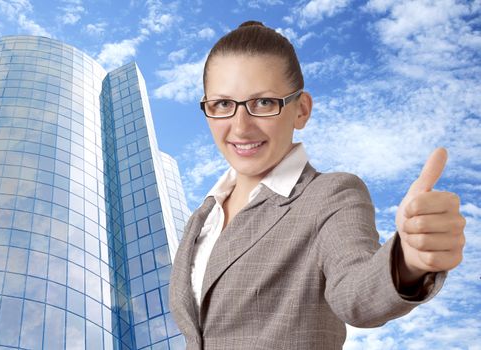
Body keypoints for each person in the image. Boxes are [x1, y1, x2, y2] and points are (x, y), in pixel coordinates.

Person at [169, 20, 466, 349]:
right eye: (223, 104)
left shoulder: (331, 195)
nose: (240, 127)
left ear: (301, 110)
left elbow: (355, 295)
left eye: (264, 103)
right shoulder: (201, 219)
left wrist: (408, 261)